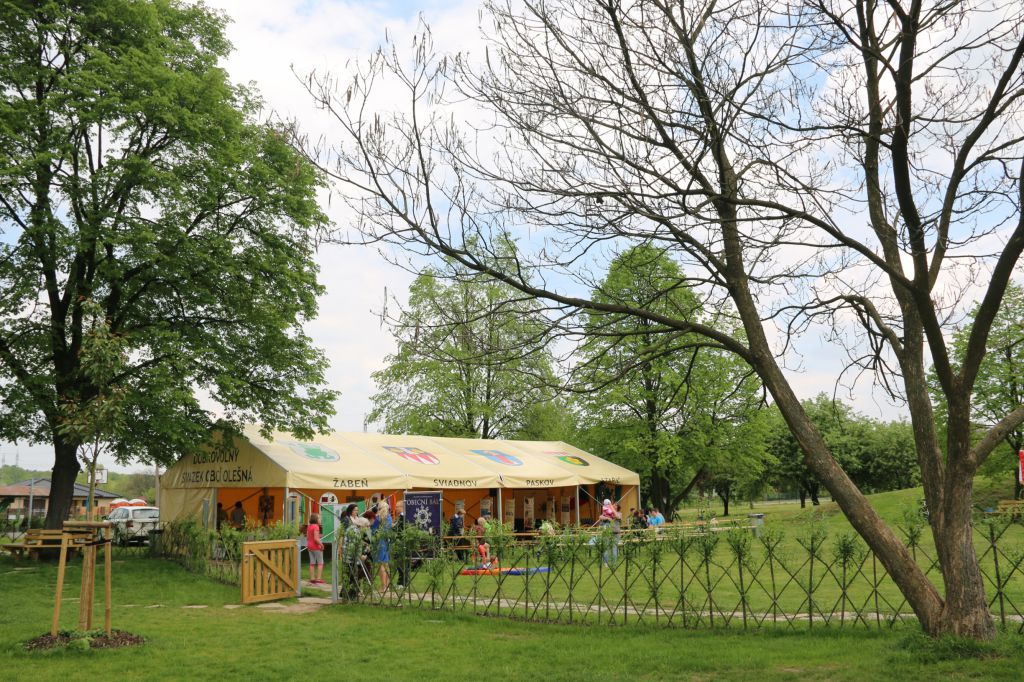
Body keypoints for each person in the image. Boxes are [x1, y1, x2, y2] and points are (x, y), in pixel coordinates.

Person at [343, 515, 371, 600]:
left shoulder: (353, 529)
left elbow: (355, 542)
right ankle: (350, 594)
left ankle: (348, 593)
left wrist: (363, 543)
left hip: (349, 556)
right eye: (366, 526)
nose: (367, 529)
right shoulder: (355, 532)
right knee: (353, 575)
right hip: (351, 557)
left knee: (352, 575)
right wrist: (360, 556)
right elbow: (353, 546)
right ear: (362, 525)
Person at [371, 500, 392, 592]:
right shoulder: (389, 517)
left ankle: (383, 586)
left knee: (381, 565)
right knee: (386, 564)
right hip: (387, 541)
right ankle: (387, 585)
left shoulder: (378, 518)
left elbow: (373, 530)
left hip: (380, 542)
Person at [306, 513, 324, 584]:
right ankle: (318, 579)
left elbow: (308, 537)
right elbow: (316, 539)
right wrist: (321, 545)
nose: (320, 519)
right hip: (316, 546)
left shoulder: (309, 526)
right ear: (316, 519)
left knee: (312, 563)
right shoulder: (316, 527)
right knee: (320, 562)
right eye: (319, 518)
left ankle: (312, 578)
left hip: (309, 546)